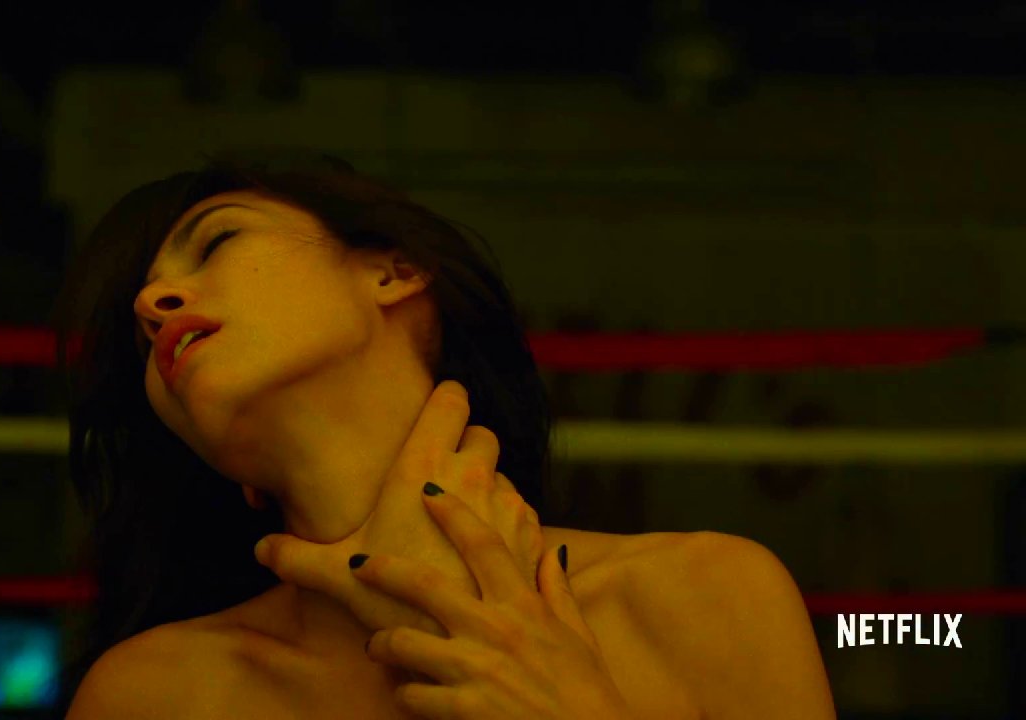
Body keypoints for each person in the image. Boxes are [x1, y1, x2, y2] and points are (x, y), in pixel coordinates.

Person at [51, 150, 836, 719]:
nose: (153, 302)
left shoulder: (704, 595)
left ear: (393, 272)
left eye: (217, 240)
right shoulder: (154, 693)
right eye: (136, 334)